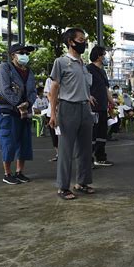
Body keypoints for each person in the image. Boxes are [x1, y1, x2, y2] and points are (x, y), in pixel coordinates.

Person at [49, 28, 95, 200]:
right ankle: (63, 187)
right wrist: (53, 113)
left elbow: (81, 85)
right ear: (71, 41)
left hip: (84, 108)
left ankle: (82, 182)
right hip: (68, 107)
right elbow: (54, 88)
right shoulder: (61, 62)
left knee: (85, 148)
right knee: (66, 149)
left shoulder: (83, 64)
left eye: (84, 39)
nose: (84, 42)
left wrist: (87, 97)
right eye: (81, 39)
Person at [0, 43, 36, 185]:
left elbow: (33, 92)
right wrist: (19, 103)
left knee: (24, 142)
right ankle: (7, 173)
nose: (25, 55)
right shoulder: (5, 68)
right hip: (9, 111)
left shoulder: (29, 72)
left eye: (26, 53)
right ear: (13, 55)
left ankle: (20, 172)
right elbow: (4, 89)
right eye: (21, 52)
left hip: (25, 112)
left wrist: (28, 104)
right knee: (8, 141)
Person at [87, 46, 115, 167]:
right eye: (104, 54)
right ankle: (88, 159)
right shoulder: (88, 69)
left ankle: (100, 157)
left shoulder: (103, 71)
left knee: (102, 134)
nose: (105, 57)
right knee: (92, 134)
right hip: (92, 108)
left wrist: (111, 102)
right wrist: (87, 96)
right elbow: (83, 85)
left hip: (103, 107)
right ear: (99, 56)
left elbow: (105, 88)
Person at [44, 76, 59, 161]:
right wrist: (54, 101)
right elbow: (48, 93)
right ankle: (58, 153)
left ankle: (64, 154)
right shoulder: (49, 80)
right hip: (52, 112)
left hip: (65, 111)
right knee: (54, 135)